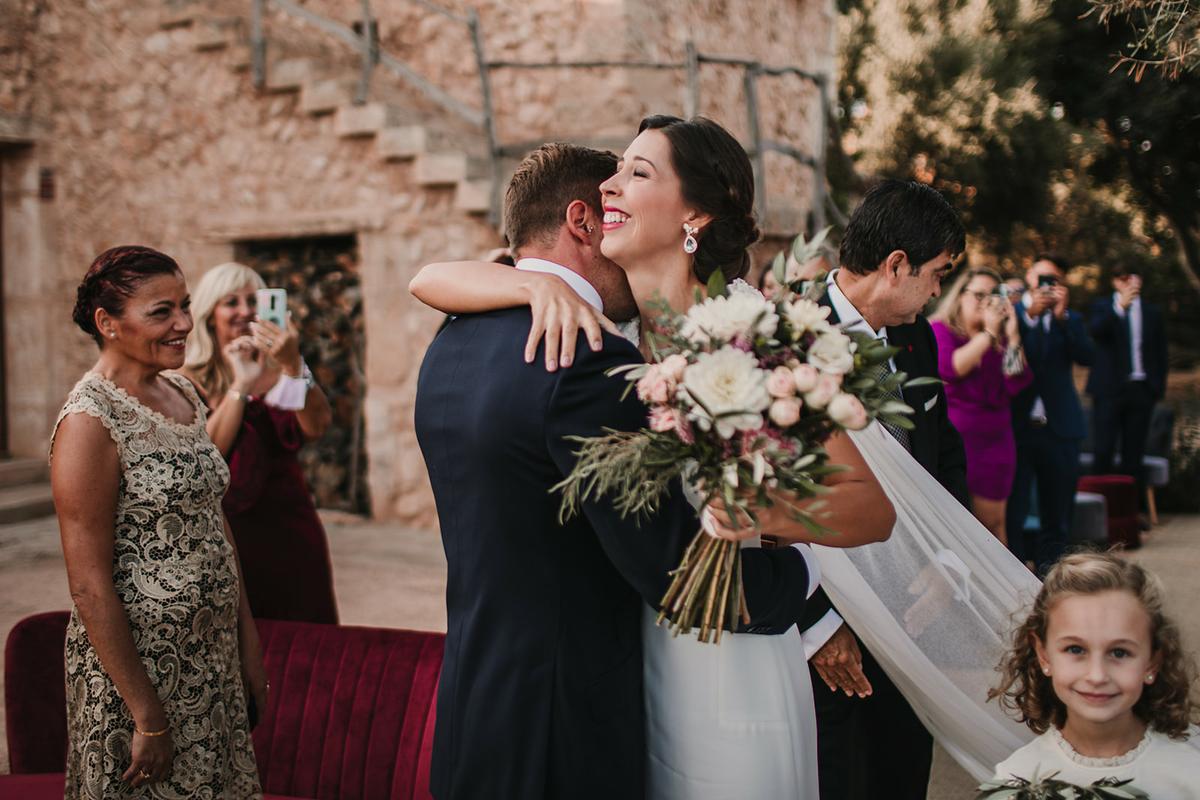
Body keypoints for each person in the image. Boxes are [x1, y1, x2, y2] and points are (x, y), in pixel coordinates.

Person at [410, 126, 895, 800]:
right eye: (614, 177)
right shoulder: (604, 342)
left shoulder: (749, 336)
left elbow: (870, 509)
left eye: (636, 173)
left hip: (724, 661)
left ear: (695, 215)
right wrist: (532, 288)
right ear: (582, 222)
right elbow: (430, 277)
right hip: (637, 663)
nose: (612, 187)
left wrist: (764, 520)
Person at [50, 246, 265, 797]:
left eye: (185, 306)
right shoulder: (89, 420)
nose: (185, 324)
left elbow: (214, 524)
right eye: (161, 312)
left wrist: (247, 644)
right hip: (140, 675)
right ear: (108, 323)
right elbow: (88, 584)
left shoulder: (184, 392)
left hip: (210, 659)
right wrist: (147, 716)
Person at [794, 179, 971, 800]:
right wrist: (816, 623)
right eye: (937, 274)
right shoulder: (785, 339)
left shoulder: (916, 336)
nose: (938, 292)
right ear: (896, 265)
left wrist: (948, 560)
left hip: (914, 613)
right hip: (828, 623)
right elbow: (759, 500)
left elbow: (943, 452)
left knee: (903, 772)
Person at [181, 262, 338, 624]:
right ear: (210, 314)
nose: (245, 311)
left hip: (290, 529)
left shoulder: (282, 368)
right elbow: (207, 451)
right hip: (224, 531)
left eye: (253, 301)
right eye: (231, 302)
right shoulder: (188, 377)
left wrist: (294, 365)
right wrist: (241, 384)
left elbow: (316, 426)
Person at [988, 553, 1200, 796]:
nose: (1097, 676)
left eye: (1119, 652)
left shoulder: (1192, 770)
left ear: (1152, 662)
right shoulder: (1016, 782)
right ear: (1043, 655)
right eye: (1075, 649)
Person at [930, 267, 1033, 544]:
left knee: (994, 526)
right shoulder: (941, 330)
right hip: (958, 443)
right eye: (979, 295)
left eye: (994, 296)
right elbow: (951, 368)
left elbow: (1016, 380)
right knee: (960, 530)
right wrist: (988, 333)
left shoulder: (1000, 339)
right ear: (960, 296)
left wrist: (1013, 337)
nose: (987, 302)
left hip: (997, 443)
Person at [1006, 254, 1094, 575]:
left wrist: (1061, 318)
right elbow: (1011, 361)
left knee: (1057, 511)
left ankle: (1052, 574)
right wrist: (1029, 317)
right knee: (1013, 509)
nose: (1046, 284)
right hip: (1017, 428)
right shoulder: (1010, 314)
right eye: (1041, 277)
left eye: (1053, 279)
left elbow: (1087, 356)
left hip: (1060, 427)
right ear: (1029, 276)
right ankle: (1015, 572)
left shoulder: (1070, 319)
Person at [1086, 266, 1168, 507]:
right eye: (1124, 278)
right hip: (1108, 390)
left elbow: (1161, 353)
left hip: (1141, 389)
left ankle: (1130, 511)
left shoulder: (1152, 312)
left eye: (1134, 276)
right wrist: (1119, 307)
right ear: (1115, 282)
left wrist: (1156, 388)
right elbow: (1096, 332)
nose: (1130, 282)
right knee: (1103, 450)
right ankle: (1101, 510)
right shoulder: (1103, 307)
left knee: (1134, 454)